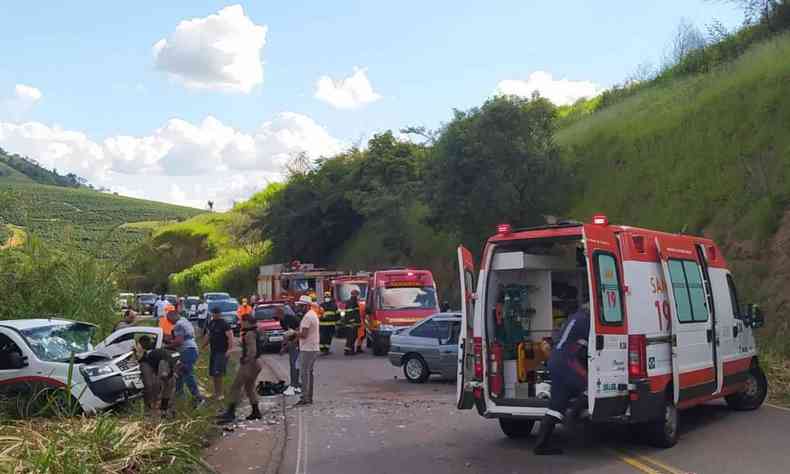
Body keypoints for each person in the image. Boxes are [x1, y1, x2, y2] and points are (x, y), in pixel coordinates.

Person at [534, 300, 591, 455]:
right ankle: (572, 417)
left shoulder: (573, 318)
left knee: (556, 405)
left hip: (555, 360)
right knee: (592, 386)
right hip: (568, 362)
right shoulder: (586, 321)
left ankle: (541, 445)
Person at [218, 313, 263, 423]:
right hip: (256, 364)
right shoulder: (255, 331)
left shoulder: (249, 334)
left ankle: (231, 413)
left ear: (247, 322)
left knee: (235, 387)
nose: (240, 323)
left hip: (249, 364)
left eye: (242, 321)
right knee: (249, 387)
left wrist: (246, 360)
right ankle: (256, 411)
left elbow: (252, 350)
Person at [165, 309, 204, 406]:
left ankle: (198, 397)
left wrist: (166, 346)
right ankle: (179, 395)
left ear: (173, 316)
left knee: (187, 373)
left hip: (187, 350)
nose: (169, 322)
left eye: (169, 319)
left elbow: (179, 341)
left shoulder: (178, 325)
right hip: (191, 349)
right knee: (179, 373)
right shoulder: (185, 321)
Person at [137, 335, 177, 417]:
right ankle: (149, 408)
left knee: (169, 385)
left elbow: (169, 386)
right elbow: (158, 382)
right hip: (147, 363)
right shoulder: (161, 365)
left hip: (162, 363)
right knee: (150, 385)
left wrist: (165, 407)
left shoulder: (171, 363)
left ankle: (164, 409)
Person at [295, 295, 320, 406]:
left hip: (307, 348)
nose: (299, 308)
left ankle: (304, 398)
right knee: (309, 373)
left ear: (306, 306)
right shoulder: (313, 314)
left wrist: (294, 333)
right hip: (313, 347)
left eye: (300, 306)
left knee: (304, 373)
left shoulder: (307, 317)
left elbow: (304, 335)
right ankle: (309, 397)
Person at [203, 306, 233, 400]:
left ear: (220, 314)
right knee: (213, 373)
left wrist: (229, 349)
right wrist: (203, 345)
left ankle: (220, 394)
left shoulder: (224, 324)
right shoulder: (211, 323)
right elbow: (209, 335)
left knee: (219, 373)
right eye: (213, 313)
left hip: (222, 352)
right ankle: (215, 393)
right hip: (213, 351)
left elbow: (230, 337)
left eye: (216, 313)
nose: (215, 315)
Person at [279, 305, 302, 394]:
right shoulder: (282, 321)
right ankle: (294, 383)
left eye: (277, 314)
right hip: (292, 342)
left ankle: (295, 384)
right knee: (292, 363)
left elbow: (298, 331)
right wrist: (283, 346)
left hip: (297, 343)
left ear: (281, 313)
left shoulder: (290, 318)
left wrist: (291, 343)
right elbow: (287, 334)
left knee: (295, 364)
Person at [343, 290, 361, 356]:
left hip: (349, 323)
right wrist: (354, 321)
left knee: (350, 337)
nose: (358, 296)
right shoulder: (353, 302)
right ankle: (349, 351)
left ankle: (348, 350)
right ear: (355, 294)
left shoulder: (349, 301)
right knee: (352, 337)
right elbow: (353, 313)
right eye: (357, 294)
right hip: (352, 323)